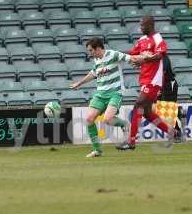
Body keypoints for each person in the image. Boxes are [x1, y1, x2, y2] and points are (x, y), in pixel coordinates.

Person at [70, 37, 140, 157]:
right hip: (100, 94)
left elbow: (130, 58)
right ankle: (97, 150)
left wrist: (141, 61)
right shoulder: (97, 60)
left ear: (98, 48)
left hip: (115, 93)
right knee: (89, 119)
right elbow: (93, 74)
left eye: (91, 50)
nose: (90, 53)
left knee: (107, 119)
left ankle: (125, 125)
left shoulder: (113, 54)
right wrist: (79, 83)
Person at [116, 15, 174, 150]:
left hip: (154, 79)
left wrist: (144, 60)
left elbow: (160, 55)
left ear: (150, 25)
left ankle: (131, 141)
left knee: (138, 105)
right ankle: (171, 131)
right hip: (144, 78)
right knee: (146, 112)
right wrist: (116, 55)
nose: (141, 28)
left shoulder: (158, 38)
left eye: (143, 25)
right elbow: (132, 54)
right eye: (140, 25)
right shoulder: (141, 40)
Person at [158, 55, 183, 142]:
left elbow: (162, 73)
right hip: (160, 85)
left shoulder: (164, 58)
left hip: (168, 84)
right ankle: (179, 112)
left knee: (168, 109)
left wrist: (159, 88)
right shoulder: (153, 58)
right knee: (161, 110)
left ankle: (176, 133)